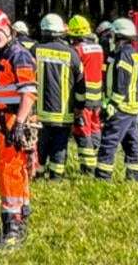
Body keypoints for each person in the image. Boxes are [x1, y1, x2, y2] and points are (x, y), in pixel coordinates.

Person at [0, 9, 37, 249]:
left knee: (9, 172)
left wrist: (21, 123)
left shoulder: (19, 55)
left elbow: (29, 93)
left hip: (15, 122)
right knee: (15, 170)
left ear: (9, 29)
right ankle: (20, 217)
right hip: (4, 123)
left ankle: (12, 227)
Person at [33, 13, 84, 180]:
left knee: (40, 146)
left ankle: (37, 175)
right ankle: (56, 177)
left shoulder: (34, 51)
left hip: (40, 114)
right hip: (64, 115)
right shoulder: (72, 54)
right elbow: (81, 86)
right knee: (59, 147)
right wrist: (79, 108)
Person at [96, 18, 138, 183]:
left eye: (112, 36)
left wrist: (111, 105)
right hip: (131, 107)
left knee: (109, 142)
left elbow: (121, 84)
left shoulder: (123, 55)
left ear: (119, 36)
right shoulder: (132, 53)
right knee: (132, 143)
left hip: (121, 107)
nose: (111, 39)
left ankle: (102, 178)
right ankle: (134, 176)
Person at [66, 15, 106, 176]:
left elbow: (74, 75)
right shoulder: (98, 48)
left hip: (83, 100)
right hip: (97, 99)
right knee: (96, 129)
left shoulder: (77, 51)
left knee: (83, 131)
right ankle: (96, 158)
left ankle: (87, 168)